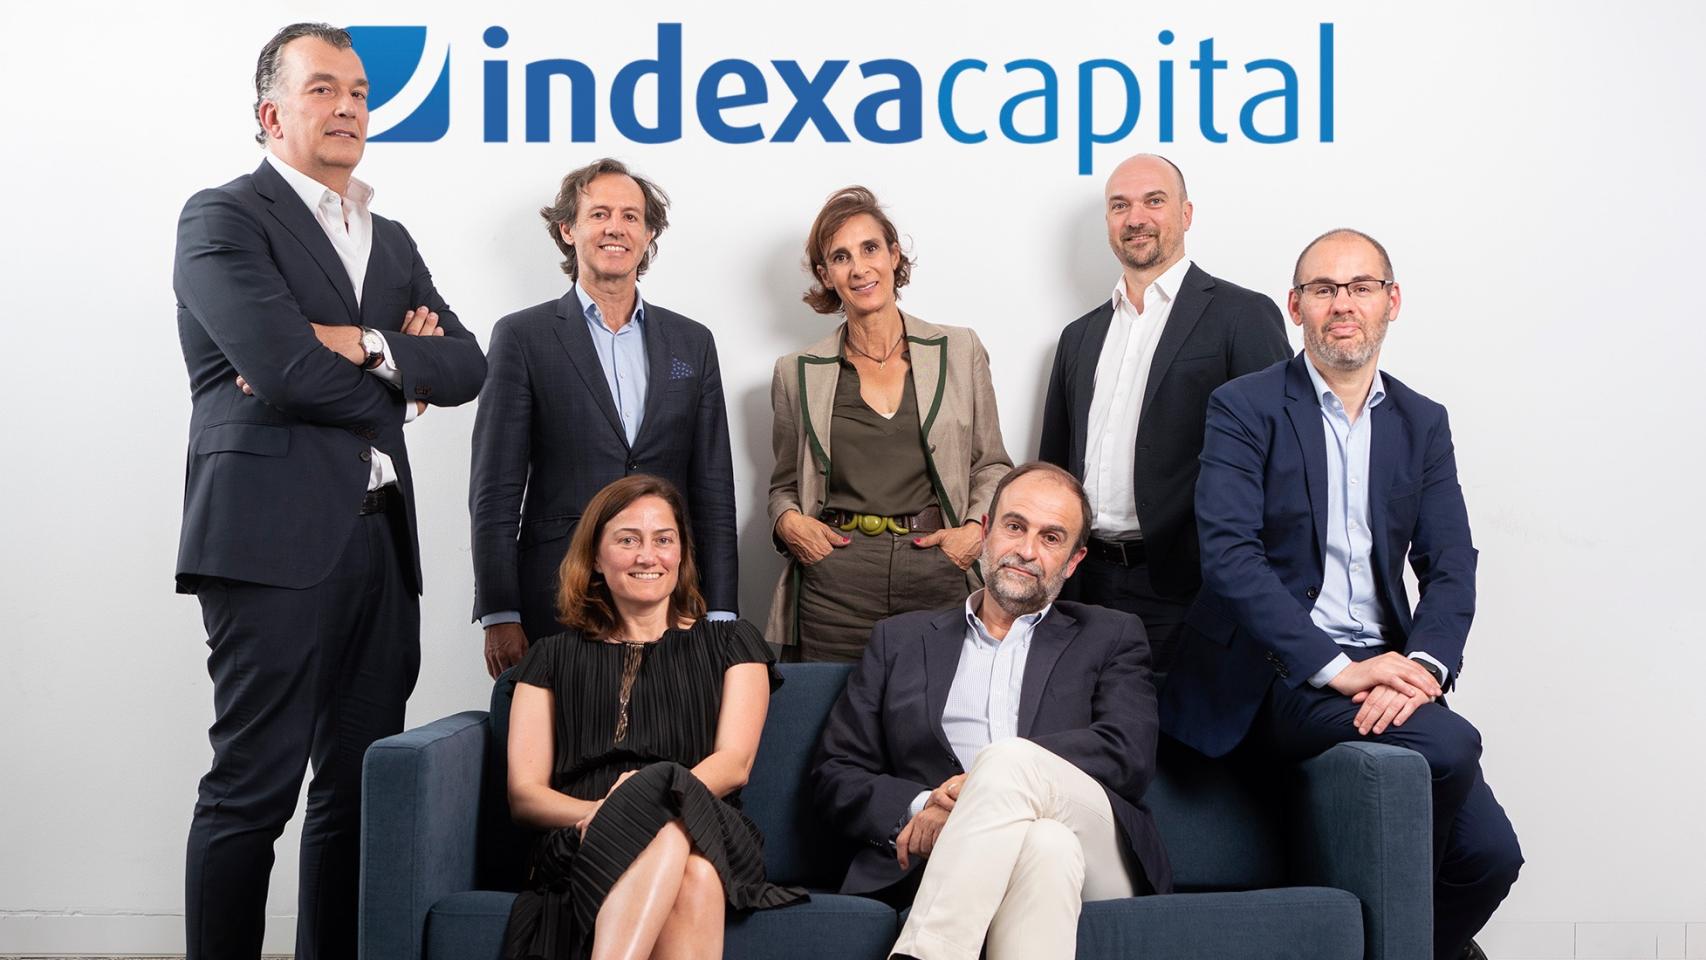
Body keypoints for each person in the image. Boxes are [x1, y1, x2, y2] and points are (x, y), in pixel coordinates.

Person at [172, 23, 486, 960]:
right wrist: (402, 384)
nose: (347, 106)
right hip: (269, 543)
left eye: (357, 92)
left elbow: (468, 364)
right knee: (252, 790)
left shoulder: (390, 239)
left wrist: (362, 343)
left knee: (356, 791)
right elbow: (280, 368)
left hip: (380, 543)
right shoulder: (224, 218)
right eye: (322, 89)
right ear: (271, 113)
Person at [1160, 229, 1521, 960]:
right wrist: (1339, 669)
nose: (1343, 304)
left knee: (1490, 857)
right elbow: (1230, 557)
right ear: (1296, 307)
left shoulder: (1422, 421)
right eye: (1323, 289)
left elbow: (1451, 562)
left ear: (1393, 302)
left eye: (1361, 287)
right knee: (1452, 742)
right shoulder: (1244, 406)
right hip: (1275, 669)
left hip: (1389, 663)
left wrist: (1423, 666)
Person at [813, 462, 1171, 960]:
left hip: (1097, 855)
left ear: (1074, 560)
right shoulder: (900, 641)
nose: (1026, 550)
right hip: (955, 860)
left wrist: (980, 785)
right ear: (985, 531)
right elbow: (836, 772)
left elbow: (1126, 753)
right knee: (1046, 845)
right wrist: (924, 807)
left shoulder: (1111, 635)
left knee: (1006, 760)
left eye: (1051, 538)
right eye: (1015, 526)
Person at [503, 475, 806, 959]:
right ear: (595, 558)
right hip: (582, 833)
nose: (648, 556)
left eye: (664, 540)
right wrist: (609, 814)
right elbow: (525, 795)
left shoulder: (732, 643)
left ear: (681, 554)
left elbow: (734, 765)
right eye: (628, 540)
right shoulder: (550, 656)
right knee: (695, 874)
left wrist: (648, 799)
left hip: (707, 822)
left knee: (669, 822)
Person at [471, 158, 739, 678]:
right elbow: (495, 489)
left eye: (630, 216)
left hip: (670, 596)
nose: (615, 228)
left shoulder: (692, 342)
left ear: (649, 233)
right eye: (599, 214)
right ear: (568, 230)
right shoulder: (522, 337)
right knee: (559, 727)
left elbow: (713, 489)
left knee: (669, 725)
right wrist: (500, 611)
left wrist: (722, 610)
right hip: (557, 593)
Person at [1039, 154, 1290, 673]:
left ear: (1186, 213)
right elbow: (1054, 465)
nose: (1136, 218)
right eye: (1120, 205)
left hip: (1189, 589)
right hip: (1083, 583)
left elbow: (1284, 462)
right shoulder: (1078, 337)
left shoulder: (1242, 316)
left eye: (1154, 201)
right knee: (1083, 721)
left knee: (1176, 725)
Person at [767, 186, 1011, 661]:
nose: (859, 268)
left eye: (870, 248)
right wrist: (789, 522)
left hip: (937, 567)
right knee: (831, 705)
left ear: (894, 255)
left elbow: (992, 465)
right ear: (826, 275)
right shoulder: (796, 372)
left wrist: (973, 533)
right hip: (835, 580)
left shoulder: (960, 350)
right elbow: (784, 485)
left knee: (937, 703)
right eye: (841, 257)